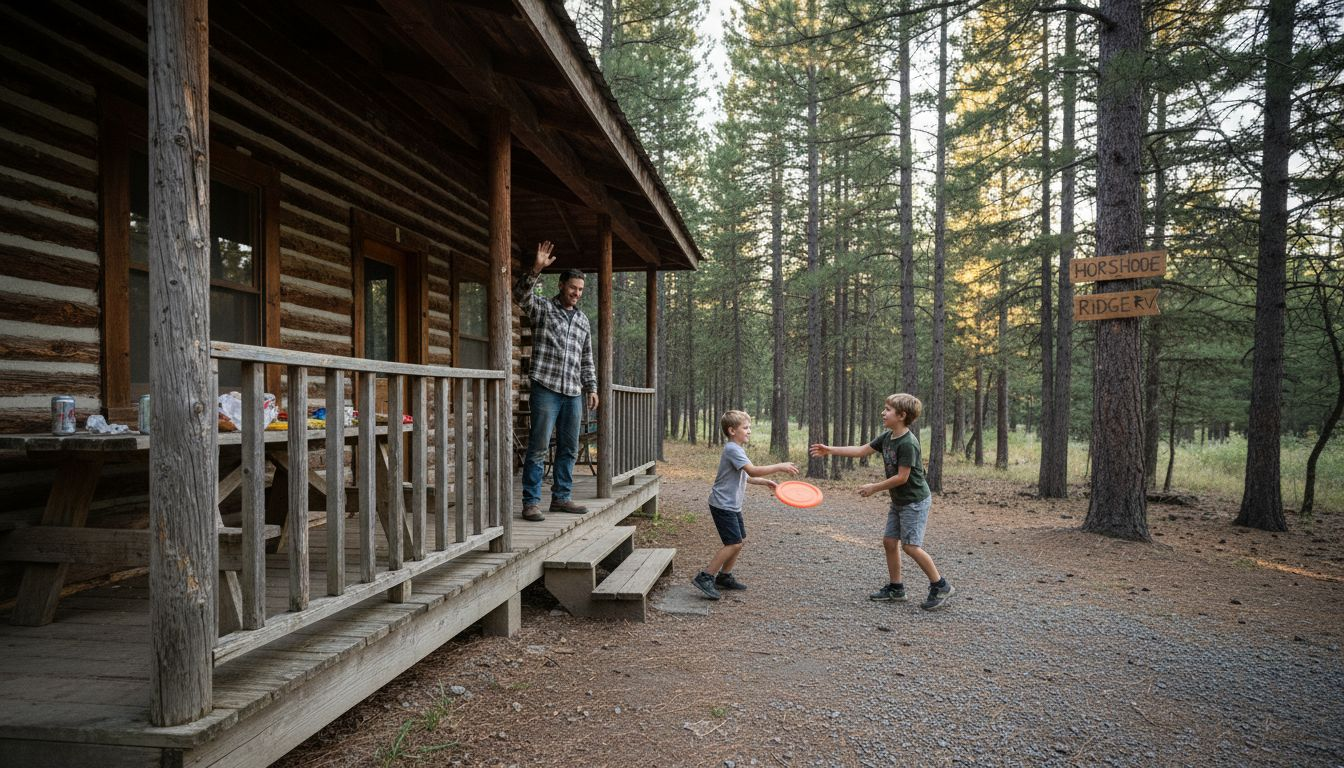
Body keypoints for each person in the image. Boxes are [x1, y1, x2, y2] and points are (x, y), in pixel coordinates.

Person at [809, 393, 955, 611]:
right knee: (889, 541)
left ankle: (940, 585)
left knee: (911, 546)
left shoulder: (908, 443)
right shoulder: (888, 437)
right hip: (899, 500)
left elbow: (902, 477)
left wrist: (874, 487)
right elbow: (861, 451)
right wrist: (830, 450)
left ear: (902, 415)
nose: (883, 412)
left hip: (914, 501)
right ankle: (897, 588)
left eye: (888, 409)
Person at [513, 241, 599, 522]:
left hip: (573, 392)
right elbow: (520, 295)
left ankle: (561, 498)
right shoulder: (543, 310)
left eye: (581, 290)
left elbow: (586, 357)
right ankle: (531, 502)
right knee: (538, 446)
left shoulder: (583, 321)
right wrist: (537, 268)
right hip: (546, 388)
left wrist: (592, 387)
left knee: (569, 447)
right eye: (573, 287)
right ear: (562, 285)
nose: (576, 293)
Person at [692, 410, 799, 600]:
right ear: (732, 430)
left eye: (749, 427)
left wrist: (766, 482)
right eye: (746, 427)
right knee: (733, 543)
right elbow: (753, 469)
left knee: (739, 541)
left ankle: (724, 577)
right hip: (722, 504)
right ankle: (705, 576)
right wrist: (780, 466)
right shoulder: (732, 449)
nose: (749, 431)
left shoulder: (738, 449)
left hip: (731, 505)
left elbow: (746, 476)